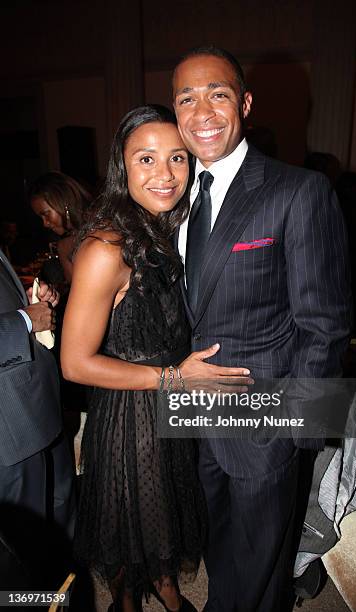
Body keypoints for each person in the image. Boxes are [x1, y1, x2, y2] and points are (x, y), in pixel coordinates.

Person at [172, 46, 351, 611]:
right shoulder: (171, 199)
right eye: (186, 99)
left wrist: (298, 432)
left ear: (245, 103)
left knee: (259, 562)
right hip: (192, 415)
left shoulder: (298, 191)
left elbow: (324, 323)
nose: (202, 111)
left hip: (264, 417)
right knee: (221, 546)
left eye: (218, 94)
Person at [61, 105, 249, 612]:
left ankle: (164, 588)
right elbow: (75, 364)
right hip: (130, 417)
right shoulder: (106, 247)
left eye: (178, 159)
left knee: (162, 520)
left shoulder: (161, 229)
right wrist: (172, 375)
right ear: (123, 167)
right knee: (131, 535)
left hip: (168, 401)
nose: (165, 175)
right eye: (146, 159)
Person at [0, 248, 75, 537]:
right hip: (9, 426)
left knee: (59, 508)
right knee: (24, 541)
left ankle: (65, 579)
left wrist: (36, 301)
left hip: (35, 400)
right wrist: (26, 320)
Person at [29, 171, 92, 284]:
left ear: (64, 204)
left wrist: (63, 251)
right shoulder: (72, 238)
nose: (45, 223)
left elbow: (78, 288)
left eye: (46, 214)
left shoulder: (97, 234)